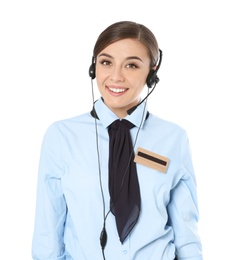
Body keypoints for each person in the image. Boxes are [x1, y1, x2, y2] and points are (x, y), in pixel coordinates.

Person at [32, 21, 203, 260]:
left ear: (152, 72)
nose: (116, 76)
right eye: (106, 62)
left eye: (131, 65)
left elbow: (186, 233)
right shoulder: (62, 136)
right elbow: (47, 234)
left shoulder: (173, 138)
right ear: (93, 68)